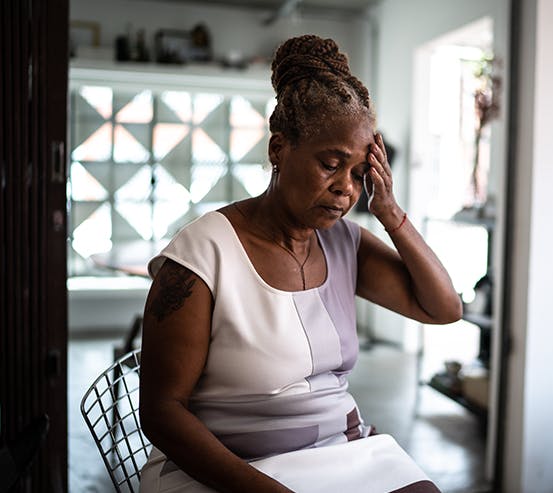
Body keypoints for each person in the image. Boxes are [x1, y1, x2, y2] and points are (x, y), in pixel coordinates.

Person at [138, 34, 462, 493]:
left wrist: (389, 213)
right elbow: (162, 412)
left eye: (358, 174)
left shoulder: (343, 241)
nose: (345, 189)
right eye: (331, 164)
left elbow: (443, 308)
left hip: (336, 452)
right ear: (278, 149)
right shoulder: (203, 255)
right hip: (230, 467)